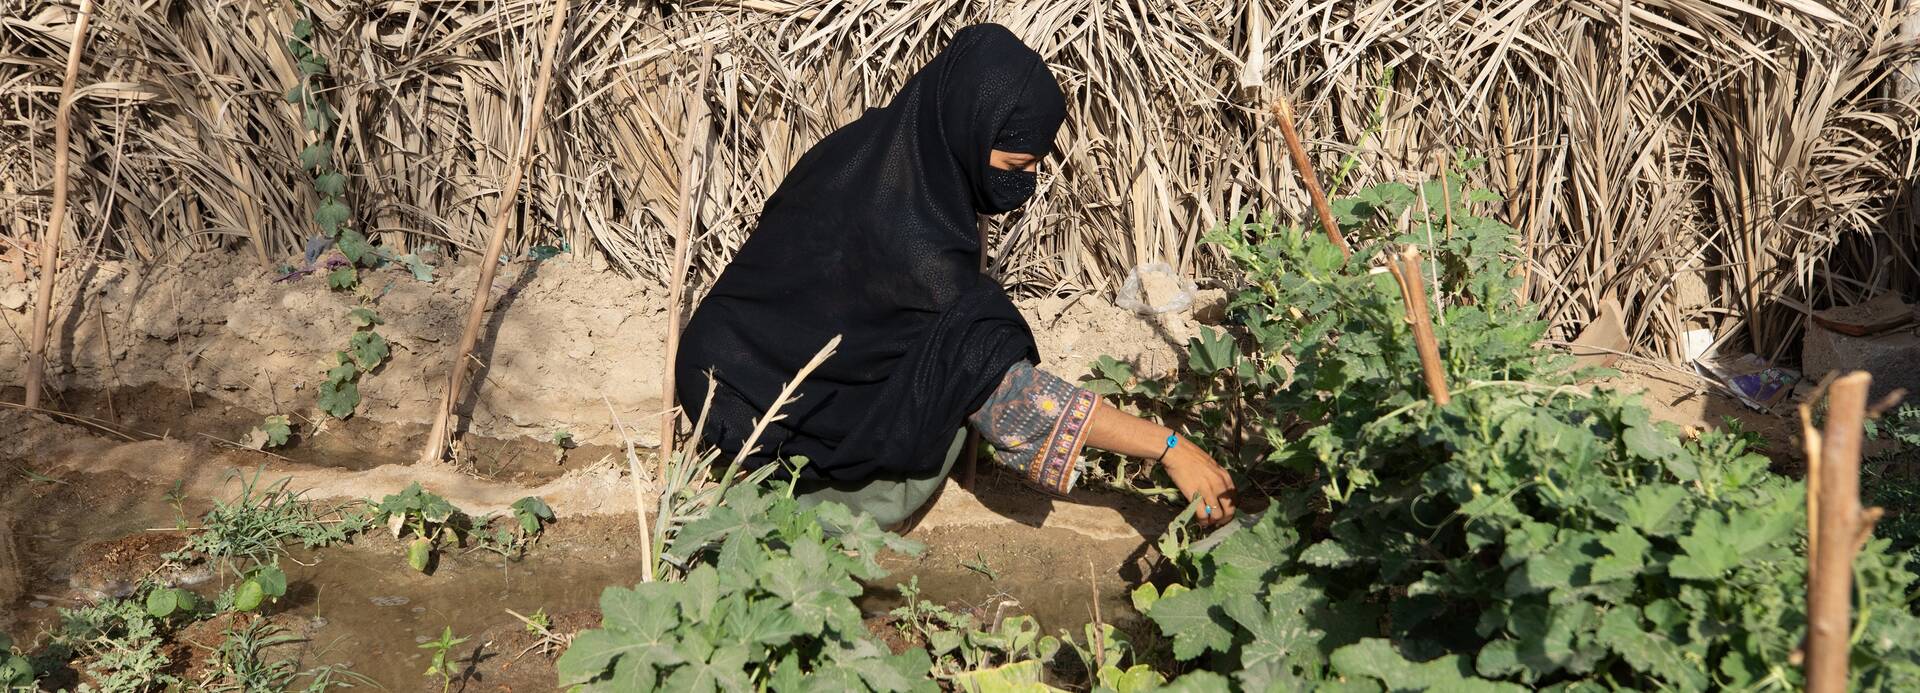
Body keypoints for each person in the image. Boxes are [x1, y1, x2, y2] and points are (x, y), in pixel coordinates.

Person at [674, 23, 1235, 532]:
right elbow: (1014, 398)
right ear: (968, 132)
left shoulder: (867, 148)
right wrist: (1167, 446)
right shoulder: (923, 258)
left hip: (723, 357)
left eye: (1037, 163)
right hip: (755, 412)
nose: (1030, 179)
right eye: (1015, 167)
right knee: (939, 408)